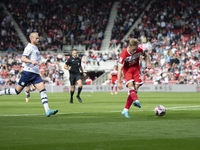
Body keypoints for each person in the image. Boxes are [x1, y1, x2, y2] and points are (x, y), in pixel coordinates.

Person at [0, 32, 58, 117]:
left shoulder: (36, 48)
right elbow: (23, 58)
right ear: (32, 39)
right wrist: (32, 61)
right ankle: (1, 92)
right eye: (37, 38)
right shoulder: (29, 47)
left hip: (35, 74)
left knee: (43, 91)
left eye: (38, 38)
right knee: (17, 91)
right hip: (27, 73)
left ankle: (47, 110)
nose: (38, 39)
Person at [118, 38, 151, 118]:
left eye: (136, 49)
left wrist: (148, 63)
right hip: (127, 70)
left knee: (136, 88)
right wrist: (119, 82)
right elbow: (119, 69)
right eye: (133, 50)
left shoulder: (138, 50)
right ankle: (136, 100)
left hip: (136, 69)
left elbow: (146, 55)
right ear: (129, 46)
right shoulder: (124, 54)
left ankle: (125, 110)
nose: (134, 51)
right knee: (130, 85)